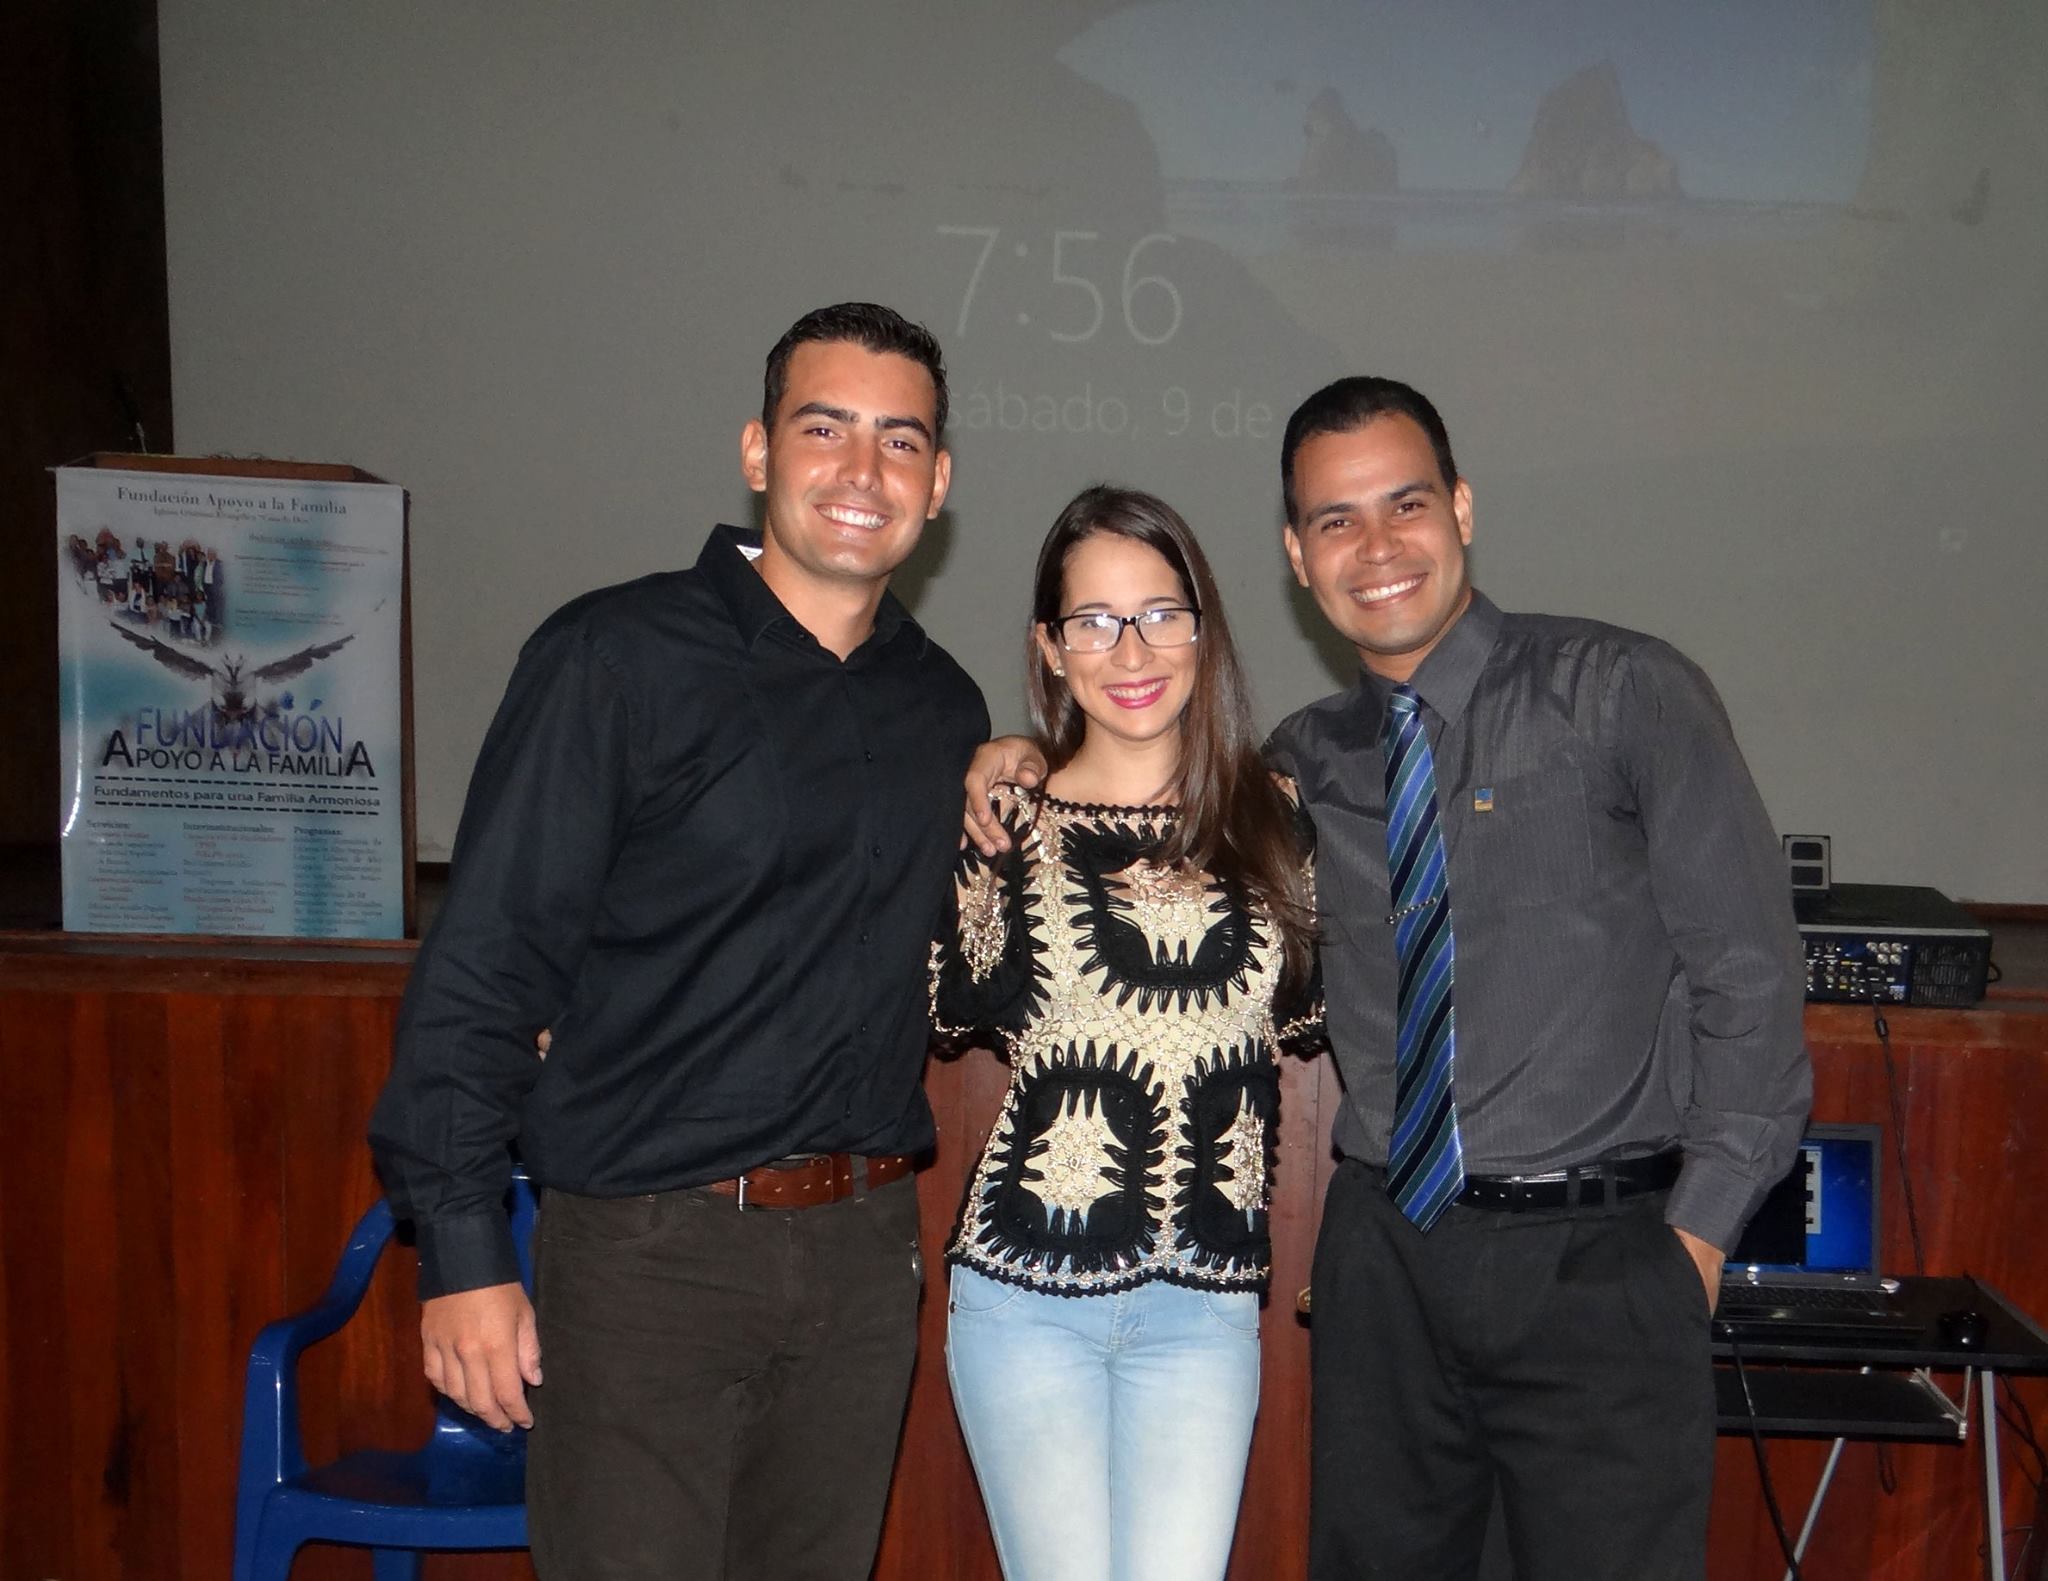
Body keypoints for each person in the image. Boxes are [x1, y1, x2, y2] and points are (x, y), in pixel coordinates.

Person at [963, 378, 1811, 1581]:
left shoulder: (1622, 693)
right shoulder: (1295, 777)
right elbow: (1137, 776)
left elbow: (1748, 974)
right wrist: (1016, 751)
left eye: (1402, 504)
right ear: (1295, 559)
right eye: (1332, 521)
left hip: (1603, 1263)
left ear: (1459, 509)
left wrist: (1695, 1243)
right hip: (1385, 1272)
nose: (1373, 548)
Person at [369, 302, 989, 1581]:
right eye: (826, 430)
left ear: (939, 479)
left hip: (865, 1259)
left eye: (899, 440)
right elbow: (483, 968)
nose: (862, 472)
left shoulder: (944, 705)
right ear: (759, 452)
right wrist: (463, 1253)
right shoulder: (615, 657)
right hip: (651, 1260)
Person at [932, 485, 1321, 1581]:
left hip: (1203, 1310)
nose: (1130, 648)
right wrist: (1003, 761)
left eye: (1159, 613)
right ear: (1049, 650)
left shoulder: (1275, 823)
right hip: (1023, 1305)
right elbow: (951, 1008)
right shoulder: (1005, 821)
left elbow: (1310, 1012)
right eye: (1092, 621)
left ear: (1203, 632)